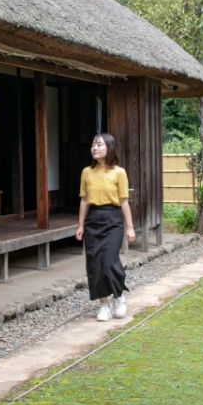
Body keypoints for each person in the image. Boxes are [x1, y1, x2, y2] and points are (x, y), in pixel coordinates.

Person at [75, 133, 136, 321]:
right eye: (93, 144)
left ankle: (119, 296)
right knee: (95, 265)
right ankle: (104, 305)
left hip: (113, 220)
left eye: (99, 144)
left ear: (109, 148)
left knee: (109, 261)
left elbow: (124, 202)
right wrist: (80, 225)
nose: (95, 147)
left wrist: (130, 227)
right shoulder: (87, 172)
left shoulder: (119, 172)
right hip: (93, 219)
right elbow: (84, 200)